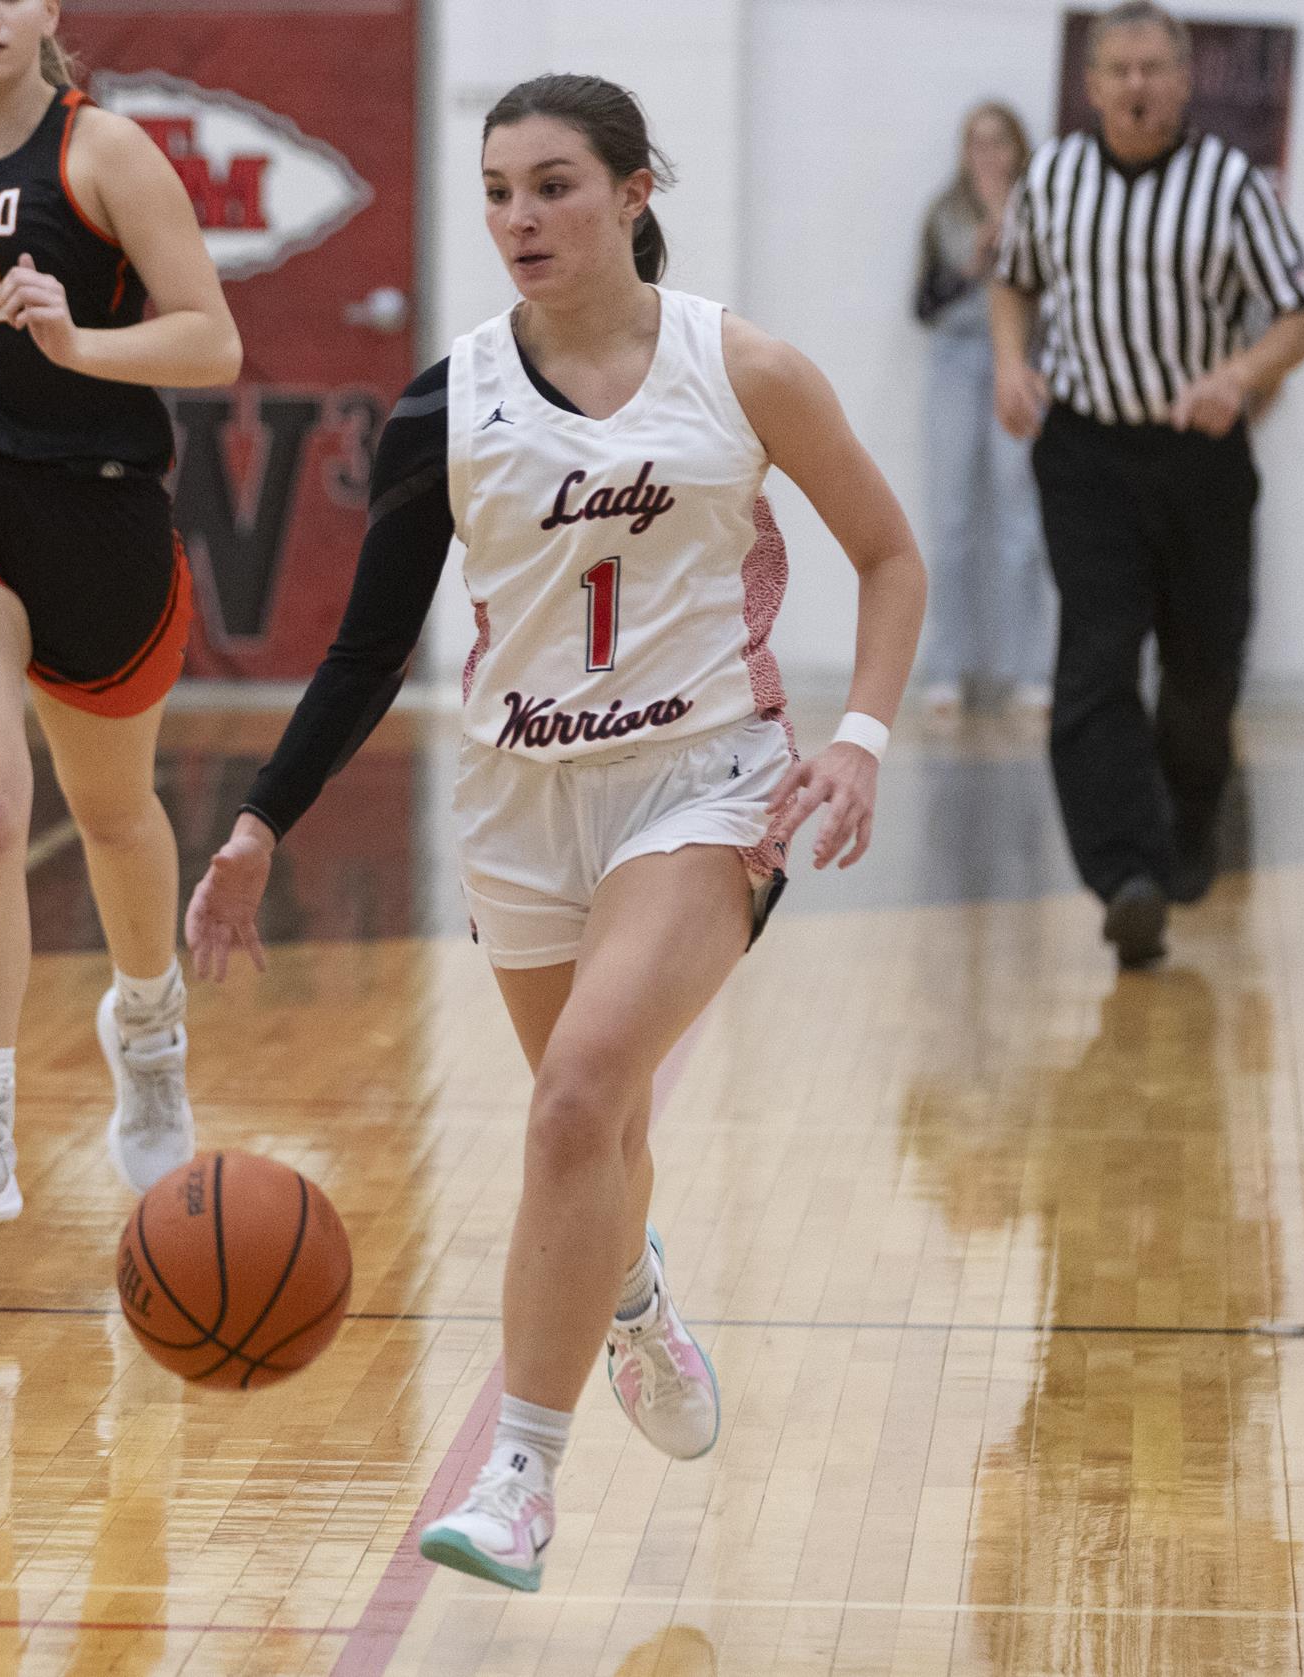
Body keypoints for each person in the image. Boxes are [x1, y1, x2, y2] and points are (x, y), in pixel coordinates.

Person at [184, 73, 925, 1592]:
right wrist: (261, 820)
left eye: (553, 186)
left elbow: (888, 552)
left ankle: (517, 1471)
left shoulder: (744, 369)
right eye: (498, 189)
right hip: (519, 807)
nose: (518, 217)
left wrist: (855, 740)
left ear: (634, 192)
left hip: (706, 785)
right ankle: (634, 1297)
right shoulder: (444, 406)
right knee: (596, 1133)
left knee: (576, 1099)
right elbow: (364, 648)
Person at [0, 0, 241, 1222]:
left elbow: (211, 343)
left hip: (95, 519)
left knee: (115, 815)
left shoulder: (105, 154)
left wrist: (81, 345)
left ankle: (148, 1029)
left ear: (46, 12)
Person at [991, 0, 1304, 966]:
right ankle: (1124, 876)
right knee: (1094, 661)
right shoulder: (1050, 176)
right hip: (1087, 452)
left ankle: (1181, 835)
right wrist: (1013, 363)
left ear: (1184, 82)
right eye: (1118, 70)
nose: (1135, 86)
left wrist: (1239, 376)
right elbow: (1011, 278)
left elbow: (1302, 318)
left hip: (1198, 456)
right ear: (1090, 85)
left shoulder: (1231, 185)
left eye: (1153, 69)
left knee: (1200, 671)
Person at [913, 101, 1053, 719]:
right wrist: (974, 261)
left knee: (1022, 523)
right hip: (954, 362)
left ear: (1018, 149)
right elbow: (922, 304)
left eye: (999, 143)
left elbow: (1057, 296)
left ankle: (1033, 672)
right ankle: (945, 668)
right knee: (952, 522)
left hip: (1018, 362)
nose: (988, 155)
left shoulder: (1045, 212)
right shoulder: (944, 216)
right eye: (976, 142)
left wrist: (1008, 232)